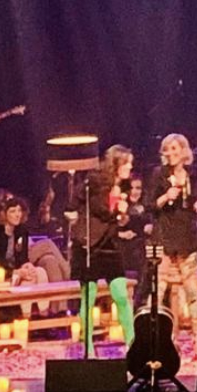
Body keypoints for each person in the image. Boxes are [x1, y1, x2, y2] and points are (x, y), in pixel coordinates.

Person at [66, 145, 137, 346]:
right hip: (89, 245)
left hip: (109, 244)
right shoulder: (96, 181)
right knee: (89, 298)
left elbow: (117, 217)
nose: (130, 167)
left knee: (121, 295)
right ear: (116, 164)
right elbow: (100, 209)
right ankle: (88, 346)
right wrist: (73, 213)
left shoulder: (124, 187)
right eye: (127, 163)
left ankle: (133, 344)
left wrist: (123, 216)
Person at [147, 133, 197, 356]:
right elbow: (149, 205)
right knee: (158, 291)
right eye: (167, 149)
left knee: (192, 292)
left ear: (183, 151)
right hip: (164, 238)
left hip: (185, 239)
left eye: (174, 149)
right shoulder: (159, 175)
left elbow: (194, 201)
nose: (170, 153)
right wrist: (165, 197)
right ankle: (155, 340)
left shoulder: (192, 176)